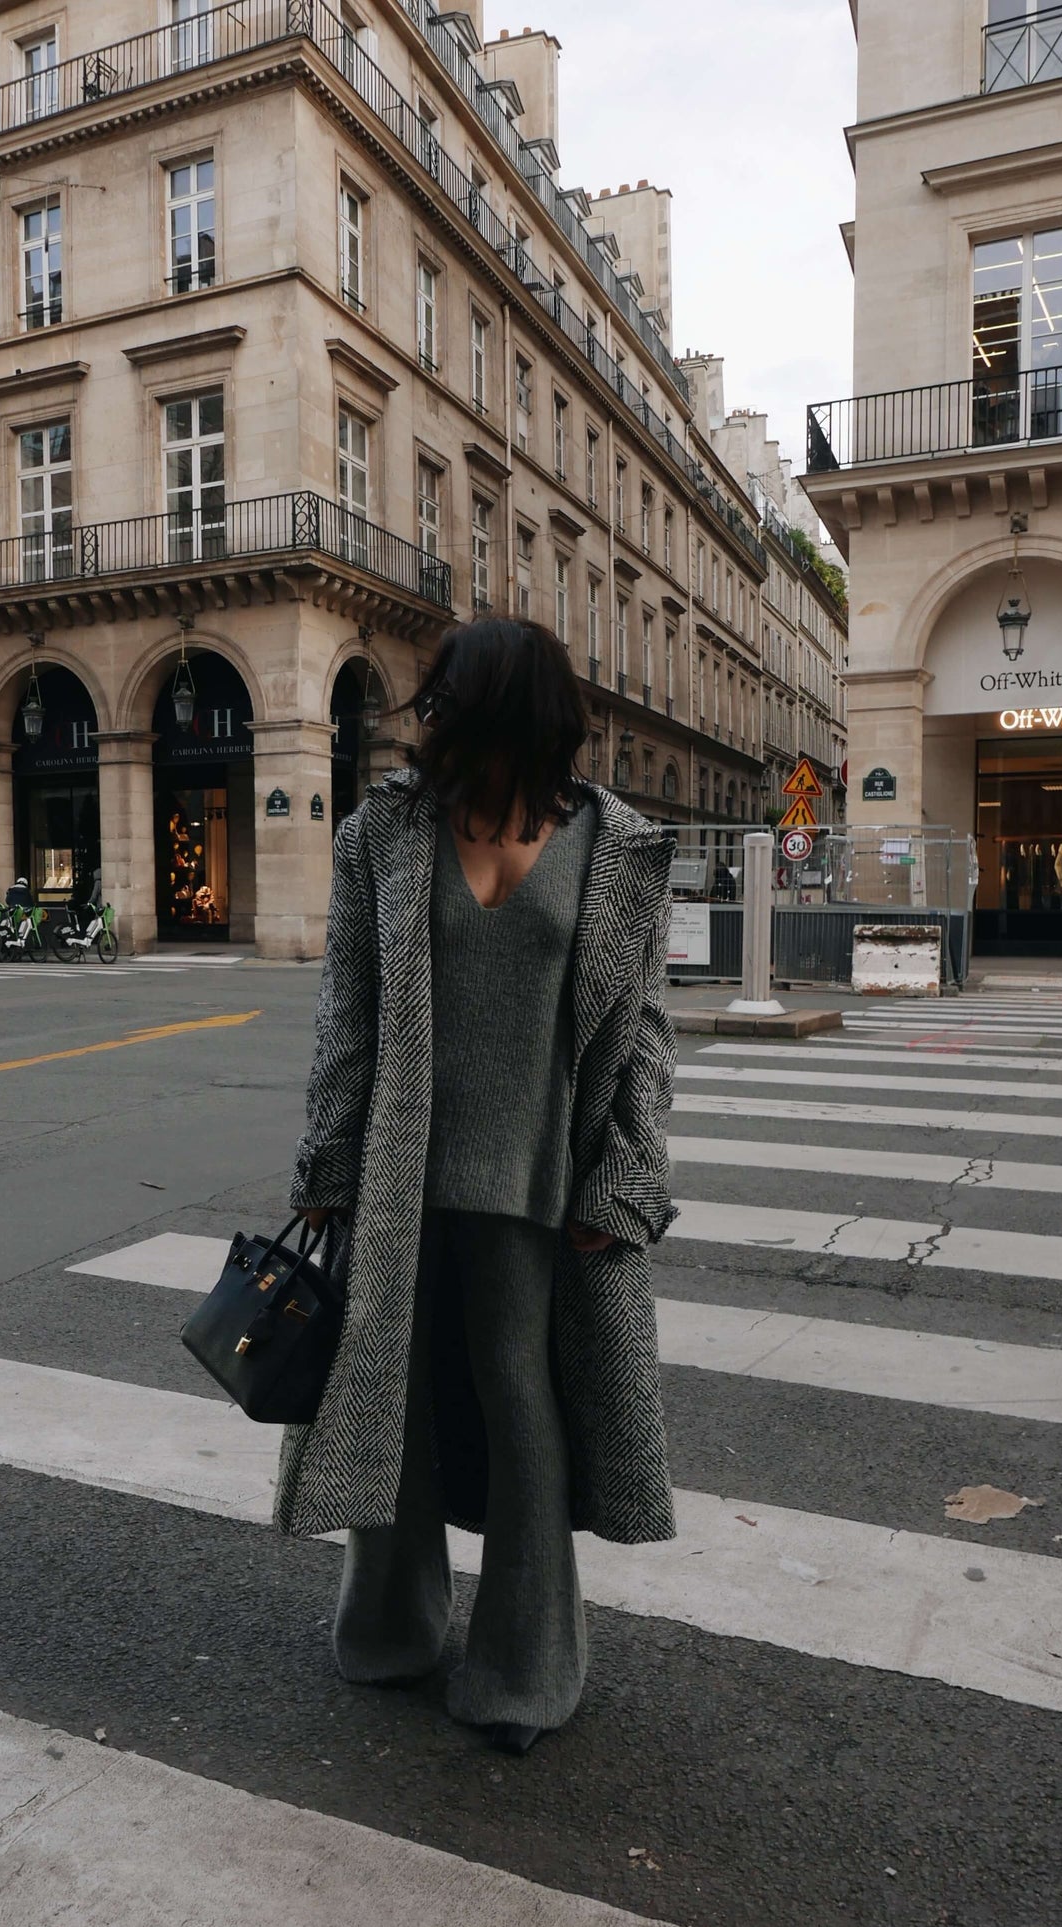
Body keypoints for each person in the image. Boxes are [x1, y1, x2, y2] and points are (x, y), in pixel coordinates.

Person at [282, 616, 679, 1758]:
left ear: (518, 711)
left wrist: (628, 1180)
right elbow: (346, 1014)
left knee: (522, 1413)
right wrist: (327, 1162)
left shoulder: (616, 848)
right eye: (433, 699)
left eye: (456, 699)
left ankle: (524, 1664)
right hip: (402, 1170)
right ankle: (391, 1625)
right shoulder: (386, 833)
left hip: (543, 1186)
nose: (434, 715)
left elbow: (644, 1037)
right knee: (387, 1404)